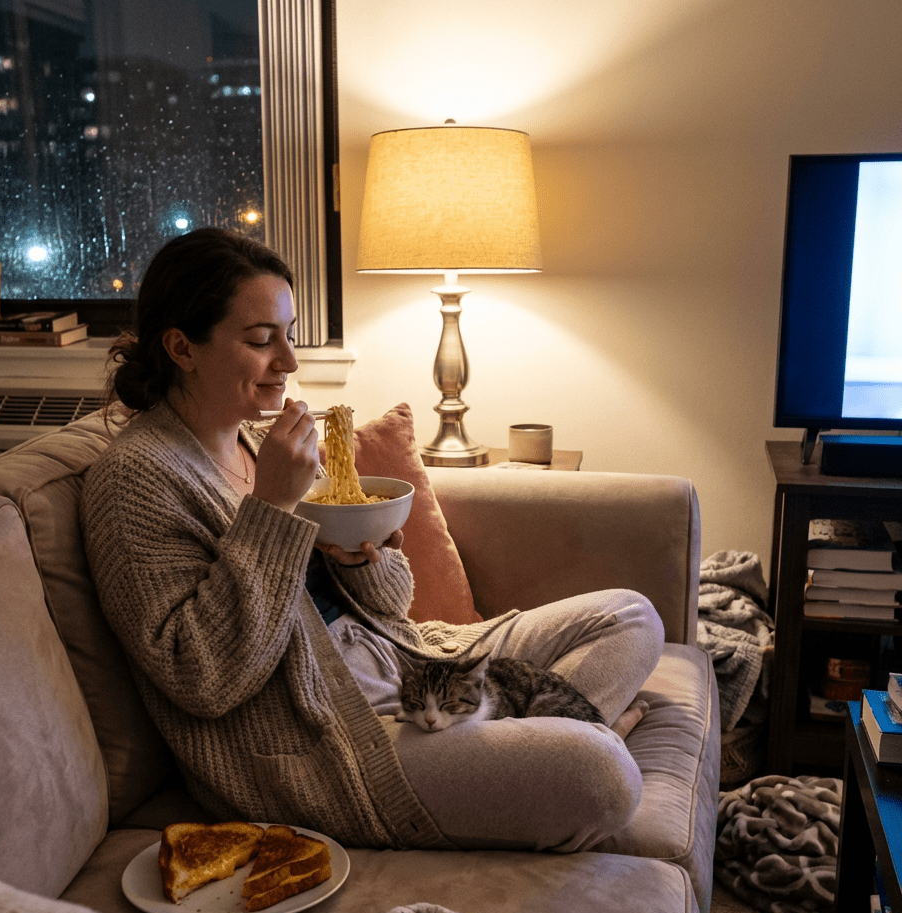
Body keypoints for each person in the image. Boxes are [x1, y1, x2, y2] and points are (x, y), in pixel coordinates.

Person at [80, 227, 663, 854]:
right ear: (181, 348)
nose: (290, 361)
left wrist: (365, 556)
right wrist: (274, 506)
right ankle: (567, 739)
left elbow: (390, 607)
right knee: (597, 777)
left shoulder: (260, 442)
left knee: (632, 617)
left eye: (290, 333)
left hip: (405, 661)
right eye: (260, 340)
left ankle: (535, 735)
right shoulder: (135, 481)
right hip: (323, 734)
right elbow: (205, 679)